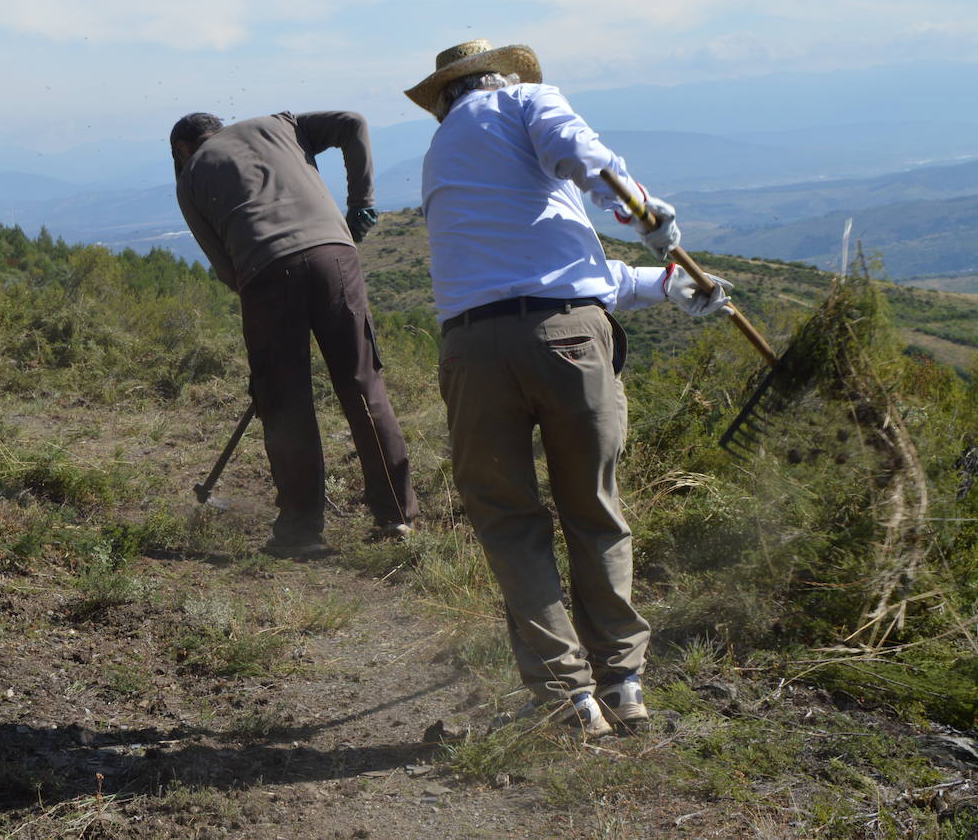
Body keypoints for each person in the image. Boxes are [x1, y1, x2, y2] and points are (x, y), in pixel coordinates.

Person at [404, 40, 733, 737]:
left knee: (509, 521)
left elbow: (571, 265)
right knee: (594, 509)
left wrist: (668, 286)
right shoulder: (527, 102)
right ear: (501, 77)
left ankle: (567, 698)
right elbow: (584, 161)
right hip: (572, 344)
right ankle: (625, 684)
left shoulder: (442, 160)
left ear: (444, 97)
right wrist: (644, 209)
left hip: (473, 351)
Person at [170, 110, 419, 559]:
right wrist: (361, 200)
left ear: (182, 150)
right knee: (362, 385)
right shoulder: (280, 123)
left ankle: (301, 531)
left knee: (285, 402)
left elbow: (227, 270)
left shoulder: (189, 179)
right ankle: (396, 517)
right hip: (335, 256)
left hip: (265, 273)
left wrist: (270, 342)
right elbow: (354, 122)